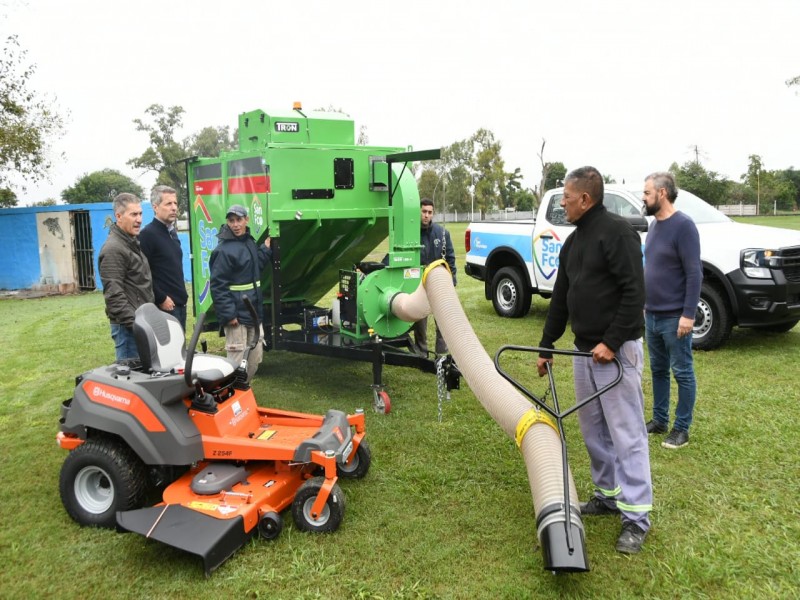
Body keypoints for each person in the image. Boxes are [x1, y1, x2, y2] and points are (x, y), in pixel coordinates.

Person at [535, 166, 652, 554]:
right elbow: (562, 299)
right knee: (593, 431)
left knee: (627, 434)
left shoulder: (618, 234)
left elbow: (635, 294)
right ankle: (606, 495)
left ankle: (636, 518)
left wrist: (612, 341)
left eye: (567, 199)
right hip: (583, 352)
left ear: (585, 199)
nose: (563, 205)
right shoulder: (574, 242)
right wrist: (547, 344)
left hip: (614, 353)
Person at [642, 172, 702, 450]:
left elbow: (694, 273)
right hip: (652, 314)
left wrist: (688, 314)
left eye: (647, 193)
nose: (644, 198)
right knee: (658, 370)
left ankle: (681, 428)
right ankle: (660, 420)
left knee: (682, 372)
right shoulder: (654, 225)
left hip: (674, 317)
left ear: (662, 193)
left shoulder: (684, 226)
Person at [209, 204, 272, 382]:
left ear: (247, 220)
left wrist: (266, 249)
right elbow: (218, 286)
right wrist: (229, 315)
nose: (235, 224)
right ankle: (230, 395)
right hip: (236, 318)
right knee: (235, 362)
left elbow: (254, 267)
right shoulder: (223, 251)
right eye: (231, 221)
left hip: (254, 314)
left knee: (255, 357)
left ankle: (243, 390)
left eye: (238, 220)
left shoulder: (250, 242)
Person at [98, 192, 155, 362]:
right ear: (119, 216)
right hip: (129, 329)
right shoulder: (114, 249)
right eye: (133, 214)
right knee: (132, 381)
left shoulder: (130, 242)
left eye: (140, 214)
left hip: (141, 323)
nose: (139, 219)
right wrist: (137, 325)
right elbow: (114, 296)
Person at [411, 198, 457, 356]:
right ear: (419, 212)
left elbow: (450, 258)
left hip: (438, 283)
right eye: (424, 212)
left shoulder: (442, 234)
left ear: (433, 213)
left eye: (429, 212)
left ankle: (441, 355)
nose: (426, 215)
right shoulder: (411, 232)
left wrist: (452, 281)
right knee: (420, 319)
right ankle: (421, 352)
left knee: (442, 320)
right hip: (419, 284)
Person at [138, 185, 188, 330]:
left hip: (179, 304)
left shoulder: (172, 233)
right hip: (164, 307)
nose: (174, 208)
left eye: (175, 203)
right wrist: (161, 298)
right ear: (155, 207)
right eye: (168, 203)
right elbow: (142, 273)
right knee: (167, 351)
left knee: (179, 350)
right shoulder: (147, 235)